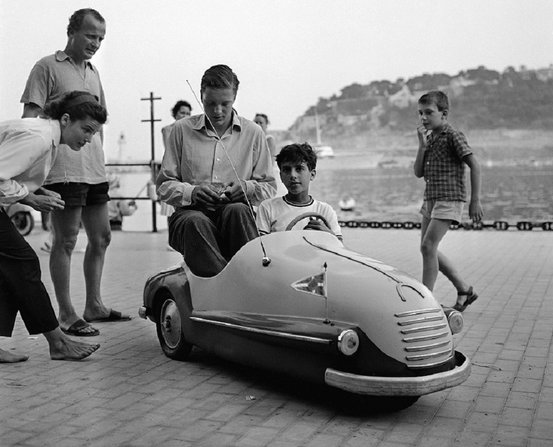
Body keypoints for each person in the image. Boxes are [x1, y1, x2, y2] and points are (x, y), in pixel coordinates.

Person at [20, 8, 130, 336]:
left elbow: (99, 121)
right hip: (63, 169)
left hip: (94, 169)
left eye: (101, 39)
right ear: (72, 32)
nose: (95, 43)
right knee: (66, 240)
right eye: (90, 36)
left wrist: (102, 161)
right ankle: (66, 314)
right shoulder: (46, 66)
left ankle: (94, 305)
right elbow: (29, 121)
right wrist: (33, 172)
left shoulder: (94, 73)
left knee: (102, 237)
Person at [0, 91, 105, 362]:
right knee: (23, 263)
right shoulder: (39, 138)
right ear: (66, 119)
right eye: (86, 130)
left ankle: (56, 342)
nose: (89, 139)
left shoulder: (46, 135)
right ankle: (58, 343)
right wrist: (29, 197)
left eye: (94, 133)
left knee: (10, 268)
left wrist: (36, 189)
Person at [156, 64, 276, 277]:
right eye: (210, 103)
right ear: (201, 96)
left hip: (237, 216)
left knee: (237, 211)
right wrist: (192, 192)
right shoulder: (181, 130)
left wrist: (246, 188)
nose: (217, 111)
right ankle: (235, 281)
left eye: (225, 104)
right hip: (189, 216)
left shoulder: (254, 133)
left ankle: (234, 278)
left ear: (235, 97)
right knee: (195, 221)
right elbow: (164, 186)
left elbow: (269, 187)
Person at [413, 90, 483, 311]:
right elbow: (418, 172)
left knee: (428, 246)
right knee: (427, 248)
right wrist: (422, 146)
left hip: (450, 198)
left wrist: (475, 200)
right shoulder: (430, 139)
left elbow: (475, 165)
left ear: (443, 114)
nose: (423, 117)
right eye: (420, 113)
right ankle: (464, 289)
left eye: (429, 112)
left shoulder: (453, 135)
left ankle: (425, 301)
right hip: (431, 199)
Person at [256, 143, 342, 241]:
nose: (293, 175)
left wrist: (328, 234)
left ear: (312, 174)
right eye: (287, 170)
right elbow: (260, 245)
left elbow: (339, 246)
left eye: (299, 169)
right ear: (281, 176)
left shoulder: (325, 211)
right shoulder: (268, 208)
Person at [159, 100, 193, 228]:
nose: (185, 116)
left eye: (188, 113)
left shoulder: (193, 131)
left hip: (188, 171)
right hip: (173, 170)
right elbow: (170, 150)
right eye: (182, 113)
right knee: (171, 208)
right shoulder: (168, 129)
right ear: (175, 114)